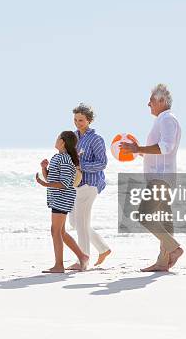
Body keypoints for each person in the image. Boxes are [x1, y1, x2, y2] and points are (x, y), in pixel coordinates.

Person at [120, 84, 184, 272]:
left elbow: (166, 147)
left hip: (161, 178)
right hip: (161, 175)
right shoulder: (164, 120)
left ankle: (174, 249)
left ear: (162, 101)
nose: (148, 104)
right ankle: (163, 261)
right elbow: (160, 152)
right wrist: (138, 151)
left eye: (151, 100)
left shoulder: (167, 120)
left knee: (144, 214)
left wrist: (138, 149)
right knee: (164, 218)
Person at [36, 131, 89, 273]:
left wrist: (44, 184)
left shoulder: (65, 159)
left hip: (63, 197)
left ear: (63, 142)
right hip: (57, 197)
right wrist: (44, 169)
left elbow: (65, 183)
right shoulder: (57, 157)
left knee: (56, 231)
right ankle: (82, 256)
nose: (56, 139)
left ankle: (59, 265)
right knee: (61, 232)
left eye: (58, 137)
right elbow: (52, 179)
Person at [66, 103, 111, 270]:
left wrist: (81, 164)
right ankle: (103, 248)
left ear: (89, 120)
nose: (78, 123)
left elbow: (102, 163)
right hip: (76, 185)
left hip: (90, 184)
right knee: (76, 222)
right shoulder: (73, 138)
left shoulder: (96, 139)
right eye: (76, 120)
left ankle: (82, 261)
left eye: (81, 120)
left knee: (81, 223)